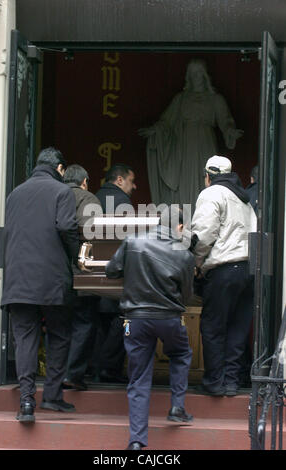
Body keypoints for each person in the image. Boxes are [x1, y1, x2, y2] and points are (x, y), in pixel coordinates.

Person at [1, 147, 81, 423]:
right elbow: (67, 227)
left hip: (17, 280)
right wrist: (78, 257)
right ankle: (52, 395)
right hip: (51, 279)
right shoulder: (62, 192)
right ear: (60, 168)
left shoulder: (14, 194)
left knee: (25, 339)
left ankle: (26, 402)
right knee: (59, 334)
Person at [106, 206, 195, 450]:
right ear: (179, 227)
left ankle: (136, 441)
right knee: (181, 354)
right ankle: (177, 406)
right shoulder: (184, 254)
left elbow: (111, 270)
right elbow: (187, 295)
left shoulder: (132, 241)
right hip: (169, 319)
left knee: (138, 379)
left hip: (135, 320)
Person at [139, 58, 243, 211]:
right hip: (185, 146)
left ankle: (207, 213)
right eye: (193, 74)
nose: (197, 77)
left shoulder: (215, 100)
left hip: (205, 142)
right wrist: (155, 130)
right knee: (185, 180)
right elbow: (167, 121)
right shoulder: (181, 99)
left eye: (199, 73)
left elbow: (226, 122)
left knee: (206, 176)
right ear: (189, 77)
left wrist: (231, 132)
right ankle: (186, 218)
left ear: (205, 75)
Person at [191, 155, 257, 397]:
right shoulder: (245, 199)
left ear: (208, 175)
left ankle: (214, 382)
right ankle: (231, 382)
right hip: (248, 270)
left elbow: (204, 234)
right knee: (238, 328)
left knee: (213, 327)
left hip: (223, 270)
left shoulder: (211, 194)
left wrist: (196, 263)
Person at [92, 164, 137, 383]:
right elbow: (126, 240)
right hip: (115, 272)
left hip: (91, 272)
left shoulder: (94, 198)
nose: (134, 186)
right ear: (119, 180)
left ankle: (96, 368)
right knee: (120, 322)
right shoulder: (122, 202)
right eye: (131, 181)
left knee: (100, 324)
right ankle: (108, 369)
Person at [62, 164, 102, 391]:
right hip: (80, 271)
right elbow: (92, 232)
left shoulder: (53, 195)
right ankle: (73, 373)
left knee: (59, 323)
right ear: (84, 181)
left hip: (53, 272)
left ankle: (55, 372)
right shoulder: (88, 199)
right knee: (84, 322)